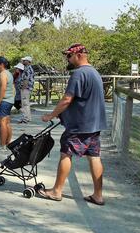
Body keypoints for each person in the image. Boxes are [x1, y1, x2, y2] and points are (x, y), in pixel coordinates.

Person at [38, 43, 106, 206]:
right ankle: (98, 195)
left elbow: (67, 99)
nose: (67, 58)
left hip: (80, 125)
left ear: (79, 55)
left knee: (66, 153)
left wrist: (51, 115)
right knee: (94, 157)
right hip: (94, 125)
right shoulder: (94, 72)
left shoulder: (79, 74)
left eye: (69, 55)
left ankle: (56, 191)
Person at [0, 56, 15, 150]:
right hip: (8, 100)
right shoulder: (8, 73)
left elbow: (3, 88)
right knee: (6, 123)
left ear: (1, 64)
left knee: (2, 123)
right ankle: (7, 143)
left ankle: (2, 145)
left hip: (3, 101)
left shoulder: (3, 74)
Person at [19, 56, 35, 123]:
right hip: (27, 88)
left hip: (26, 88)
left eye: (25, 60)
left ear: (28, 62)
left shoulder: (27, 69)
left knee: (25, 103)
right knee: (26, 103)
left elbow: (26, 79)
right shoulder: (27, 68)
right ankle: (27, 117)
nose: (23, 61)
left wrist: (23, 87)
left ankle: (26, 118)